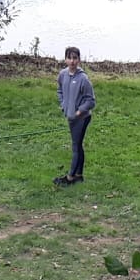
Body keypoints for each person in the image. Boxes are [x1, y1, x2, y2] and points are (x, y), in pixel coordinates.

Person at [54, 46, 95, 186]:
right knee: (78, 145)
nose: (72, 61)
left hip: (82, 118)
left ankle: (70, 177)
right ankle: (79, 175)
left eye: (75, 58)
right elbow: (60, 90)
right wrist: (63, 104)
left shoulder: (83, 79)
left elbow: (91, 101)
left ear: (79, 60)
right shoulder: (62, 75)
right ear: (65, 59)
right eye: (69, 58)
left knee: (76, 146)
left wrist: (79, 111)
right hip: (71, 117)